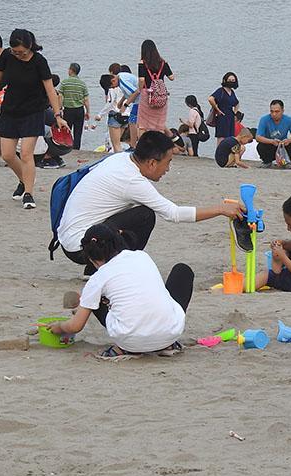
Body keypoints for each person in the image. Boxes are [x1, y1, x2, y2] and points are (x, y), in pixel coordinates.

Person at [57, 131, 244, 277]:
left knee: (138, 212)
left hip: (69, 238)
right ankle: (111, 268)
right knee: (145, 216)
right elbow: (174, 214)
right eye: (168, 162)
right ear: (152, 163)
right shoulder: (132, 181)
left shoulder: (121, 159)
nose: (168, 169)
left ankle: (96, 268)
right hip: (81, 247)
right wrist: (221, 209)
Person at [45, 223, 193, 359]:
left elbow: (75, 327)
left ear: (90, 257)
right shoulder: (142, 256)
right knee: (182, 271)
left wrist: (58, 327)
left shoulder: (97, 279)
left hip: (130, 341)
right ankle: (167, 344)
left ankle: (124, 349)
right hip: (170, 333)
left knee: (93, 297)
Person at [0, 29, 67, 209]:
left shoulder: (39, 61)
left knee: (26, 153)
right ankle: (24, 180)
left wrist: (58, 115)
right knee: (6, 154)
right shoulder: (7, 56)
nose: (18, 55)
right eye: (15, 51)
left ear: (30, 47)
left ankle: (29, 194)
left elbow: (50, 90)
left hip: (33, 112)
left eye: (21, 52)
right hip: (10, 110)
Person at [133, 39, 173, 135]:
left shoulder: (142, 63)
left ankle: (144, 146)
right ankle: (158, 147)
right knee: (159, 124)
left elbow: (142, 80)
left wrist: (139, 89)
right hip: (161, 95)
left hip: (147, 94)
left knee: (143, 124)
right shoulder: (163, 62)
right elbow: (172, 77)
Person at [255, 99, 291, 167]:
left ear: (282, 111)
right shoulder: (264, 119)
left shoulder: (289, 120)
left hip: (283, 146)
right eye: (272, 111)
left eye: (277, 111)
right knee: (260, 146)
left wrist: (289, 140)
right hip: (270, 145)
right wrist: (271, 141)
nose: (274, 114)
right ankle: (267, 162)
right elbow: (258, 137)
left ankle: (286, 162)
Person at [59, 62, 90, 149]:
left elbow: (60, 96)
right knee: (78, 132)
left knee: (67, 131)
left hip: (68, 110)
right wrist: (88, 112)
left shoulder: (65, 83)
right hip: (79, 110)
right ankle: (76, 149)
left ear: (71, 70)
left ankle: (66, 147)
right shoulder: (82, 84)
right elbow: (86, 100)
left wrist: (59, 108)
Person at [94, 74, 126, 153]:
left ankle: (117, 162)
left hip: (115, 117)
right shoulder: (123, 86)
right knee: (119, 142)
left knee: (115, 145)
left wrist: (100, 115)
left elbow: (110, 104)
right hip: (126, 116)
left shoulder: (112, 89)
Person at [208, 72, 239, 145]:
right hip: (222, 116)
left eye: (233, 80)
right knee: (221, 137)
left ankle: (226, 154)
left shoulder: (232, 92)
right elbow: (210, 99)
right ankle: (219, 154)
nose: (231, 82)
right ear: (225, 80)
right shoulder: (220, 90)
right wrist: (217, 109)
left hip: (230, 116)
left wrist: (234, 113)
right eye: (229, 80)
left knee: (230, 137)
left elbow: (237, 104)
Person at [116, 65, 139, 148]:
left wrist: (125, 105)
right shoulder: (123, 79)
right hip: (138, 101)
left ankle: (133, 145)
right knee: (133, 122)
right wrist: (121, 102)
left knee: (133, 122)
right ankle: (134, 145)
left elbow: (136, 92)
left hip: (140, 101)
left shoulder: (122, 80)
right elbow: (127, 93)